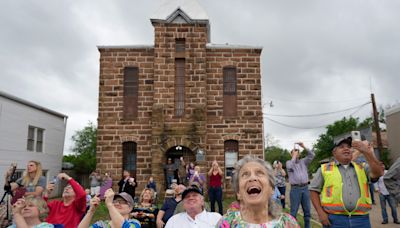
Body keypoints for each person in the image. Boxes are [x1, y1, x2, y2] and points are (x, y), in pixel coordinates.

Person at [309, 137, 383, 228]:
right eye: (342, 146)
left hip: (361, 220)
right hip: (334, 219)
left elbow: (378, 173)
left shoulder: (362, 167)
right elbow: (313, 191)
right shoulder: (324, 169)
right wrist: (320, 213)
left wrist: (367, 152)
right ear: (334, 152)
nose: (346, 148)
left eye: (349, 146)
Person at [216, 155, 299, 227]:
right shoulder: (226, 223)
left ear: (272, 189)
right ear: (238, 193)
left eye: (259, 173)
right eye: (245, 174)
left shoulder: (288, 223)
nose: (252, 178)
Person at [286, 142, 314, 228]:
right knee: (293, 212)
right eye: (294, 152)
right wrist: (294, 156)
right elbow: (290, 166)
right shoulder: (289, 163)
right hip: (295, 189)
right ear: (291, 154)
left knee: (307, 212)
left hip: (305, 188)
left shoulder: (303, 162)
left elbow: (312, 155)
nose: (296, 153)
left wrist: (303, 146)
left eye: (297, 152)